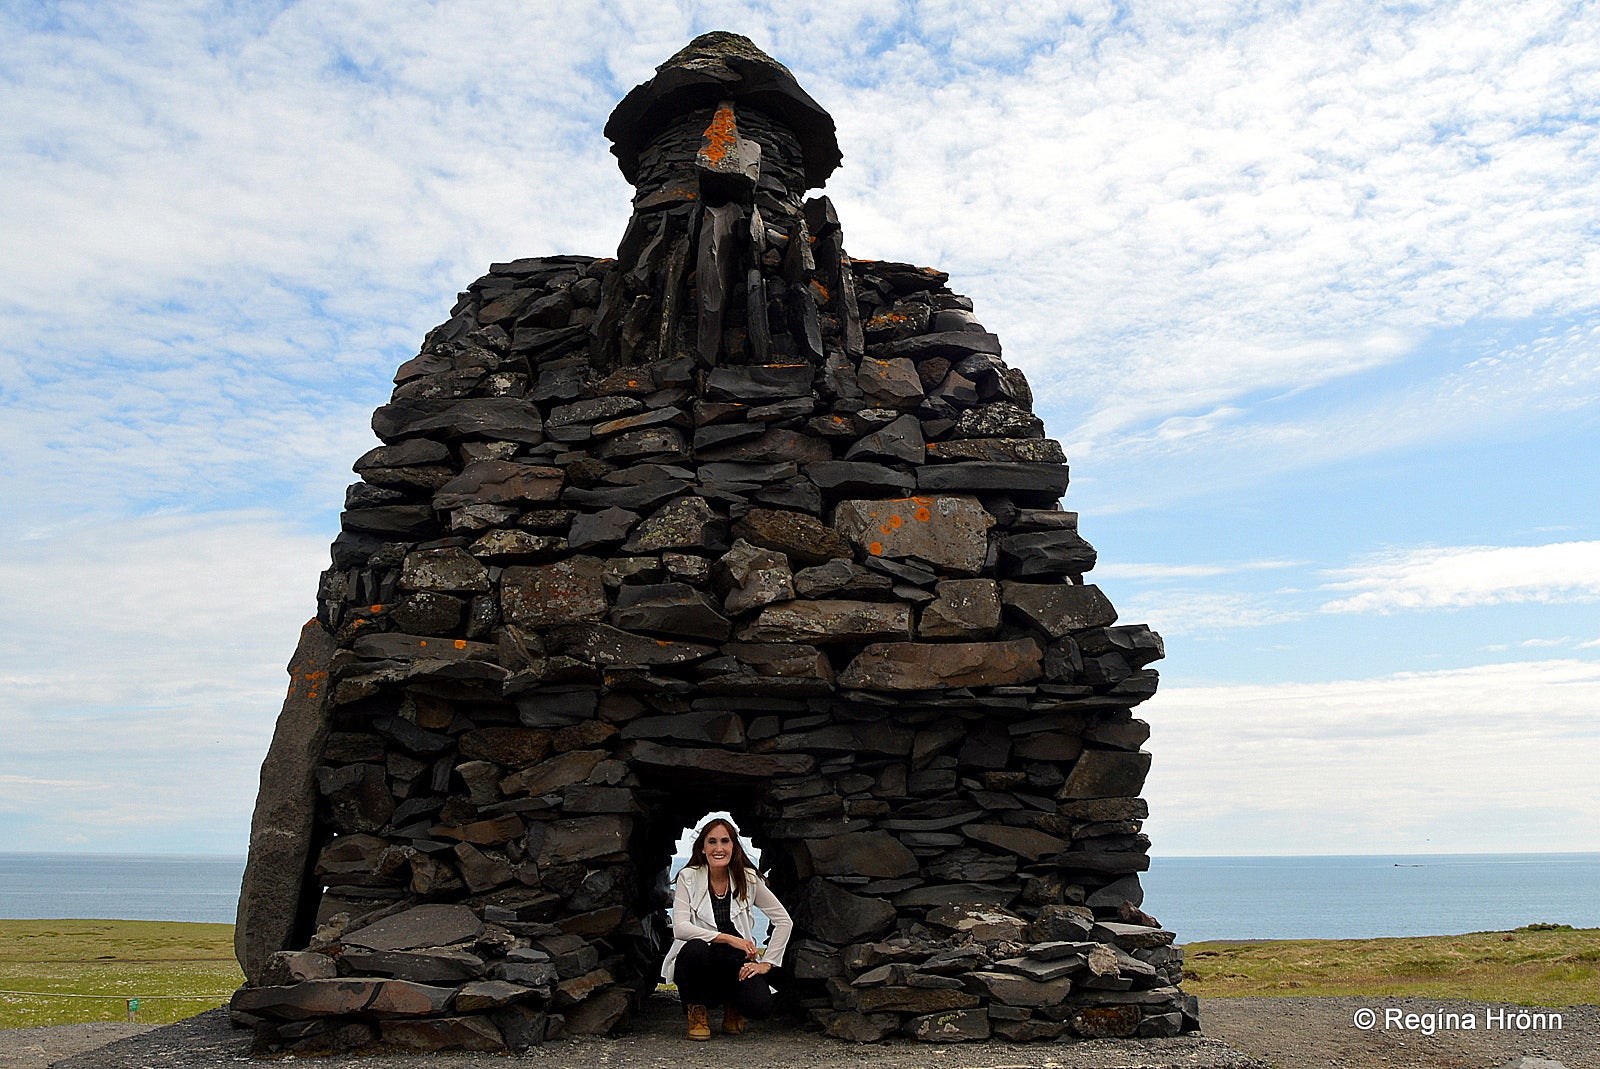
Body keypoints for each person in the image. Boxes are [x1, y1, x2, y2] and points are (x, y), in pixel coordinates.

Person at [660, 817, 793, 1040]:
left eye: (725, 841)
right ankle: (697, 1011)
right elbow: (680, 928)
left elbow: (783, 921)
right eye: (712, 842)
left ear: (734, 846)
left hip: (735, 962)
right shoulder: (688, 877)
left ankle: (733, 1004)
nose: (719, 848)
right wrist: (729, 938)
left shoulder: (748, 879)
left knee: (760, 1006)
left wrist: (767, 963)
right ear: (702, 848)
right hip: (702, 960)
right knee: (695, 949)